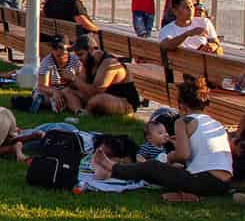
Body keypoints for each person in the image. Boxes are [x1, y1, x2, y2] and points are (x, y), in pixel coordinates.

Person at [91, 75, 233, 199]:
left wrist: (169, 157)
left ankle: (113, 168)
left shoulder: (183, 121)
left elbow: (183, 155)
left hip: (204, 180)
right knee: (169, 171)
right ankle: (117, 169)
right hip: (224, 182)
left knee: (152, 166)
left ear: (182, 106)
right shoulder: (215, 123)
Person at [50, 30, 141, 117]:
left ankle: (85, 111)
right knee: (67, 91)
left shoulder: (109, 63)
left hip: (124, 102)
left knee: (97, 100)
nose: (79, 59)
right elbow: (81, 85)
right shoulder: (88, 62)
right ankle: (80, 112)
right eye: (77, 55)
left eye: (81, 54)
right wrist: (59, 88)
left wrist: (74, 78)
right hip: (100, 97)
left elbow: (95, 92)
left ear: (91, 50)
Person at [157, 0, 221, 54]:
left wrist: (212, 46)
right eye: (186, 7)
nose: (190, 10)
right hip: (183, 63)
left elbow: (217, 44)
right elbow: (166, 45)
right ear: (175, 11)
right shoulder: (167, 30)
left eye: (191, 6)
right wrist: (187, 34)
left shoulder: (204, 22)